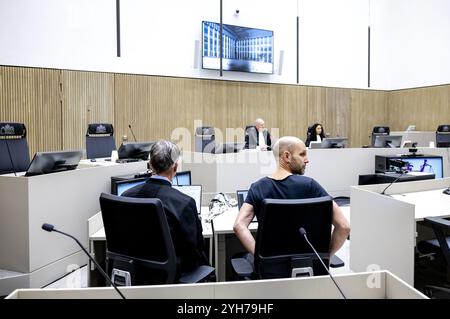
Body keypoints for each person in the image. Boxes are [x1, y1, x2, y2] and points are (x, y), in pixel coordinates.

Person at [233, 136, 350, 257]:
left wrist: (260, 256)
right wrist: (325, 257)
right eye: (302, 154)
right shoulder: (310, 185)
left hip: (271, 271)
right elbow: (344, 226)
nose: (307, 160)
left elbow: (239, 225)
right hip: (310, 268)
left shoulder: (257, 188)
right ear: (287, 156)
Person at [122, 140, 210, 276]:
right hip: (173, 277)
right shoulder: (184, 203)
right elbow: (196, 248)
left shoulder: (126, 196)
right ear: (175, 167)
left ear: (150, 164)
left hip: (135, 274)